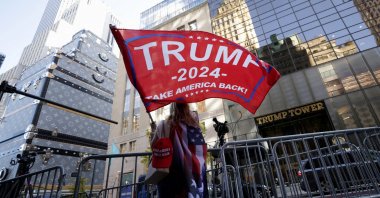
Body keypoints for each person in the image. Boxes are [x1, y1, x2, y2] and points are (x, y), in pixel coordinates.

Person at [151, 102, 208, 198]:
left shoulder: (163, 125)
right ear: (186, 106)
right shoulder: (193, 123)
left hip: (169, 176)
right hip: (192, 174)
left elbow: (153, 146)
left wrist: (154, 130)